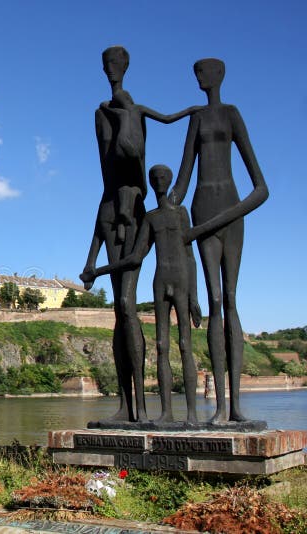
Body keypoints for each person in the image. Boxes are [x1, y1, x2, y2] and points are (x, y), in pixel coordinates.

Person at [84, 46, 200, 423]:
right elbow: (105, 175)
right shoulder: (101, 114)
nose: (110, 71)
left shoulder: (131, 112)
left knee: (129, 307)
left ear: (124, 68)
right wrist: (91, 259)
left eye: (115, 66)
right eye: (106, 66)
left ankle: (145, 408)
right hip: (111, 208)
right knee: (120, 311)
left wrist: (125, 116)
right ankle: (126, 405)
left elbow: (133, 153)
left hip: (132, 211)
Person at [169, 58, 268, 423]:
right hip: (201, 208)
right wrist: (162, 209)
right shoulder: (195, 119)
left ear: (219, 75)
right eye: (194, 72)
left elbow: (261, 187)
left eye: (204, 72)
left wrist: (228, 215)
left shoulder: (231, 114)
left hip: (228, 209)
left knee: (230, 298)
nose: (198, 77)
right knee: (213, 299)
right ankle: (221, 407)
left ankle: (237, 404)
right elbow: (182, 178)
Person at [82, 165, 202, 423]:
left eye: (163, 178)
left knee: (184, 344)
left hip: (181, 280)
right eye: (154, 178)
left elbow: (190, 256)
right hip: (160, 282)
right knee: (161, 346)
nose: (159, 182)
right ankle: (166, 412)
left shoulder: (182, 214)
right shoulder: (150, 218)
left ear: (170, 181)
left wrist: (194, 297)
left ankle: (191, 414)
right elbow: (135, 258)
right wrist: (97, 270)